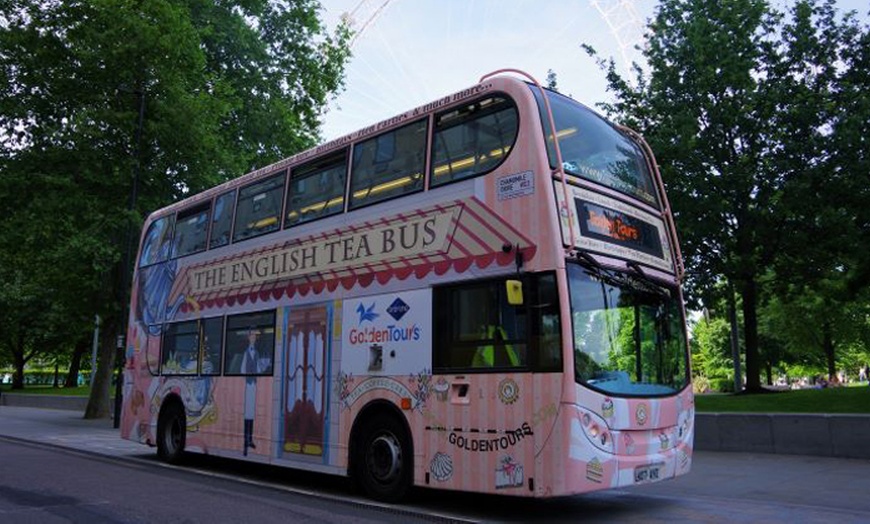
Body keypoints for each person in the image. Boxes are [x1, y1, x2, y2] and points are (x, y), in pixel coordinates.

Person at [241, 328, 261, 455]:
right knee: (247, 413)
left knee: (251, 413)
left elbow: (258, 368)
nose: (253, 338)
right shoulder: (245, 353)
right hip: (248, 384)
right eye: (251, 336)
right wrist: (249, 376)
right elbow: (242, 369)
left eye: (254, 336)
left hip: (254, 385)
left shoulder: (257, 353)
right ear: (249, 338)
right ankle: (245, 441)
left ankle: (250, 439)